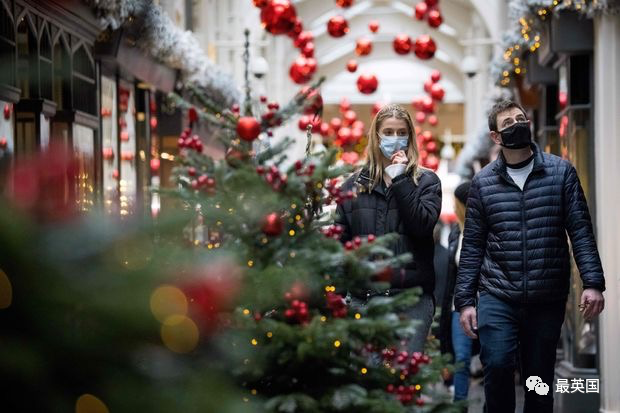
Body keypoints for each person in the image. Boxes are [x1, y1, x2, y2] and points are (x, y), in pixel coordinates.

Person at [454, 100, 606, 413]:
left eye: (520, 118)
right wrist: (466, 301)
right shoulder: (482, 184)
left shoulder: (561, 173)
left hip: (546, 294)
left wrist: (593, 282)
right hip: (497, 293)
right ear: (496, 137)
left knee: (538, 380)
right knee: (496, 365)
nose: (516, 124)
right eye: (507, 122)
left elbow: (580, 231)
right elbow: (472, 246)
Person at [335, 104, 442, 353]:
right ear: (376, 136)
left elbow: (422, 226)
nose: (395, 139)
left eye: (401, 132)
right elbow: (339, 244)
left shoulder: (426, 181)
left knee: (403, 380)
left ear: (410, 137)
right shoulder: (352, 187)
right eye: (389, 132)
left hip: (411, 301)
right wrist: (338, 294)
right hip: (365, 300)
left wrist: (401, 178)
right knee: (368, 382)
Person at [439, 181, 477, 411]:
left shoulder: (491, 231)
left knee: (494, 361)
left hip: (489, 304)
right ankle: (459, 406)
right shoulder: (456, 233)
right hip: (459, 306)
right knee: (461, 359)